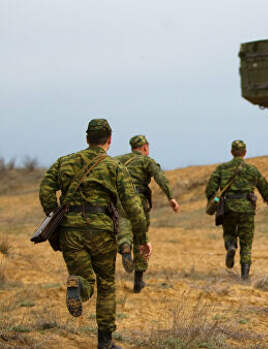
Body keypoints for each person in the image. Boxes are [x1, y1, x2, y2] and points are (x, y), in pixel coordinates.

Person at [39, 119, 148, 349]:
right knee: (107, 284)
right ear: (109, 140)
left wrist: (54, 214)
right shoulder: (115, 167)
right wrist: (141, 239)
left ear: (87, 138)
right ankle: (105, 342)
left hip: (71, 231)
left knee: (84, 277)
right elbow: (134, 208)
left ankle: (77, 285)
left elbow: (46, 188)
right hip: (102, 232)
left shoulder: (65, 162)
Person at [114, 135, 179, 293]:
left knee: (123, 224)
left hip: (119, 200)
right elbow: (160, 178)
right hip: (139, 200)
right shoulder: (146, 161)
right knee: (141, 237)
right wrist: (171, 197)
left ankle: (124, 245)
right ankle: (138, 281)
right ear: (145, 148)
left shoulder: (117, 160)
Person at [205, 140, 268, 280]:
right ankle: (245, 276)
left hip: (228, 207)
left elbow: (210, 188)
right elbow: (263, 184)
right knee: (246, 242)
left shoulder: (222, 168)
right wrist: (267, 198)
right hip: (247, 208)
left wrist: (212, 199)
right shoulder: (251, 169)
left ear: (231, 152)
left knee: (229, 232)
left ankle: (230, 246)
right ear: (245, 153)